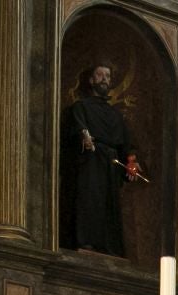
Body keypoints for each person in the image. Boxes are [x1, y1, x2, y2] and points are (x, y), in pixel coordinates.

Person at [61, 64, 142, 257]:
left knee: (109, 206)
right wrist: (84, 137)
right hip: (90, 161)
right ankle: (86, 242)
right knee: (89, 201)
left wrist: (132, 162)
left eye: (107, 76)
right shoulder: (81, 107)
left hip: (111, 165)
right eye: (100, 75)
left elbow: (127, 144)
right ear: (91, 80)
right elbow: (77, 130)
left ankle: (109, 246)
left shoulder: (115, 115)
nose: (104, 79)